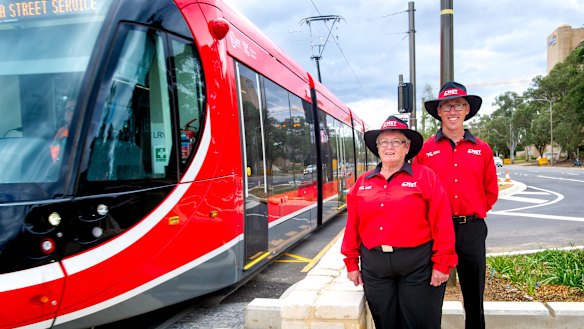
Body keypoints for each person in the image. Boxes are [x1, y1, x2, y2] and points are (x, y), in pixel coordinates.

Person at [341, 115, 457, 329]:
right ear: (377, 148)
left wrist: (442, 263)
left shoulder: (426, 177)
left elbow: (442, 223)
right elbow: (353, 227)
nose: (389, 147)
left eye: (396, 141)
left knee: (421, 324)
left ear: (407, 147)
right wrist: (351, 262)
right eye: (384, 142)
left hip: (418, 266)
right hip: (375, 268)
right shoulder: (362, 183)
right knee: (385, 324)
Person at [413, 81, 499, 329]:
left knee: (474, 296)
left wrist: (471, 211)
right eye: (447, 106)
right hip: (436, 232)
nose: (452, 111)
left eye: (458, 105)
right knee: (432, 294)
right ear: (439, 111)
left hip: (471, 230)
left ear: (466, 110)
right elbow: (417, 191)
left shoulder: (481, 149)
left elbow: (490, 192)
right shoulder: (425, 150)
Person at [50, 97, 75, 163]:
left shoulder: (80, 133)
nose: (67, 112)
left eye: (71, 109)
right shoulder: (61, 130)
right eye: (66, 109)